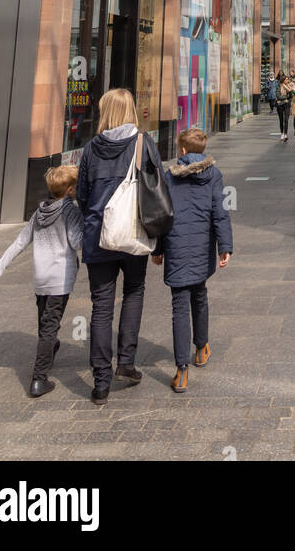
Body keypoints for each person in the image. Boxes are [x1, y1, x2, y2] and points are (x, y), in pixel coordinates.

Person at [76, 88, 165, 404]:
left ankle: (100, 382)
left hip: (99, 235)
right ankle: (126, 363)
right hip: (133, 233)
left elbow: (82, 196)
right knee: (134, 291)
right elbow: (158, 192)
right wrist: (161, 242)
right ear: (130, 112)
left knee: (101, 304)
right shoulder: (144, 143)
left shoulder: (90, 149)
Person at [0, 164, 83, 398]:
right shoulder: (70, 212)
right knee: (49, 325)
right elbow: (77, 242)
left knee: (45, 321)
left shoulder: (39, 213)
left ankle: (51, 346)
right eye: (76, 186)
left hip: (40, 278)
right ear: (69, 190)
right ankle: (39, 378)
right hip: (60, 278)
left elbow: (18, 243)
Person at [152, 126, 232, 394]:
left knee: (179, 306)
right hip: (201, 245)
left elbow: (163, 215)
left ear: (182, 151)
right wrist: (225, 246)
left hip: (176, 245)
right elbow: (220, 213)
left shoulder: (169, 176)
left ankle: (181, 370)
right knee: (199, 294)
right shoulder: (214, 175)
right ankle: (202, 347)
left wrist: (158, 248)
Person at [275, 75, 294, 142]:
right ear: (283, 80)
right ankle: (282, 133)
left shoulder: (289, 86)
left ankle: (285, 134)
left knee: (286, 119)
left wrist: (291, 91)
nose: (287, 81)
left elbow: (291, 96)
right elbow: (278, 96)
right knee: (281, 119)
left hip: (287, 105)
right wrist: (286, 97)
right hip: (280, 105)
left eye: (288, 79)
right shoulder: (278, 86)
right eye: (286, 79)